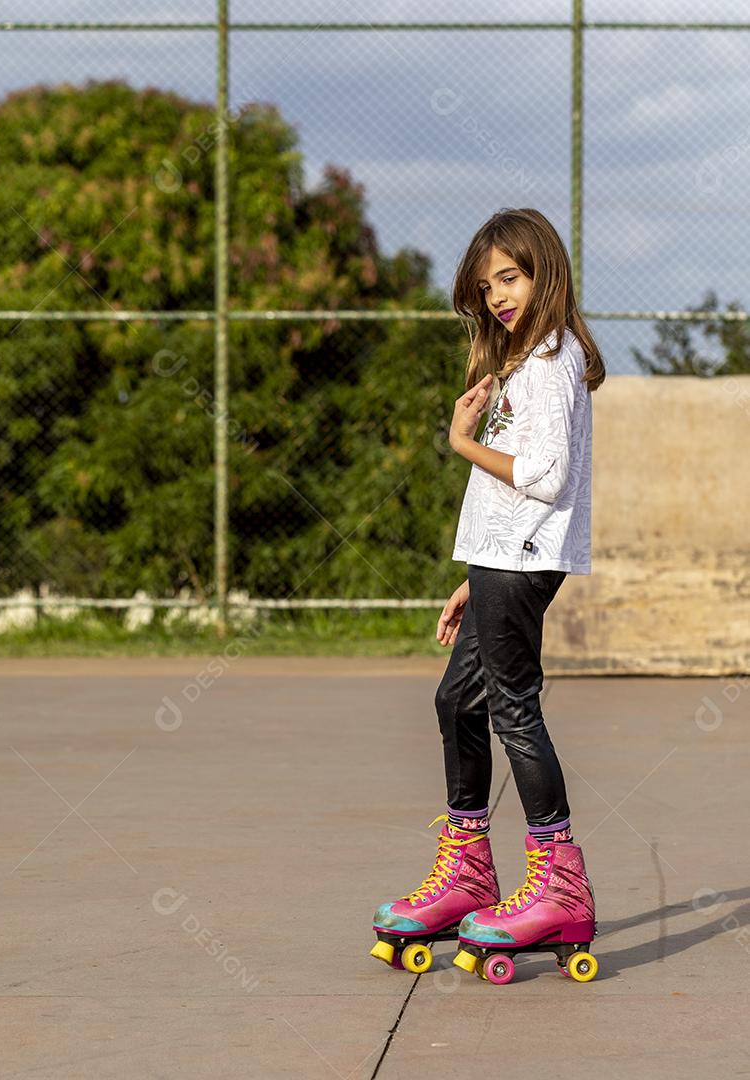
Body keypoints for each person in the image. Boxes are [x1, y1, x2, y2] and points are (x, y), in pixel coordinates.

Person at [370, 207, 606, 977]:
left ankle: (559, 885)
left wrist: (462, 442)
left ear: (544, 270)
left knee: (512, 708)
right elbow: (516, 497)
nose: (499, 294)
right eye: (486, 285)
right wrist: (476, 577)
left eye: (510, 276)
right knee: (458, 703)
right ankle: (469, 867)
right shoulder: (524, 357)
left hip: (523, 556)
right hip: (503, 560)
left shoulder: (548, 359)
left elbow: (544, 478)